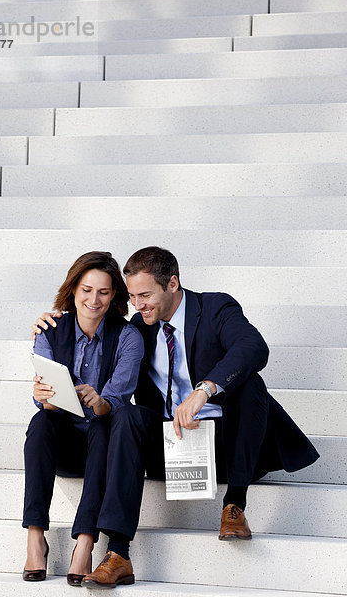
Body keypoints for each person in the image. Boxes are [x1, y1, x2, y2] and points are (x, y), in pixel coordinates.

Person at [33, 246, 319, 578]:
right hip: (171, 444)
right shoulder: (138, 329)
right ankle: (118, 553)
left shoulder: (215, 308)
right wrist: (55, 322)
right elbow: (99, 354)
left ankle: (234, 505)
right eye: (132, 296)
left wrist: (205, 389)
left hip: (226, 443)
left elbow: (253, 347)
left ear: (172, 284)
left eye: (145, 295)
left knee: (250, 385)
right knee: (126, 415)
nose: (137, 305)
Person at [23, 251, 144, 588]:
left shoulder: (127, 337)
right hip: (62, 444)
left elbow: (116, 403)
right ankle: (35, 537)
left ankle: (86, 542)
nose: (94, 300)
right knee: (40, 424)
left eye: (104, 292)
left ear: (115, 296)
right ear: (73, 289)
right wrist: (46, 397)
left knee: (104, 425)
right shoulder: (49, 329)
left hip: (102, 448)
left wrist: (100, 402)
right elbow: (45, 403)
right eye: (87, 290)